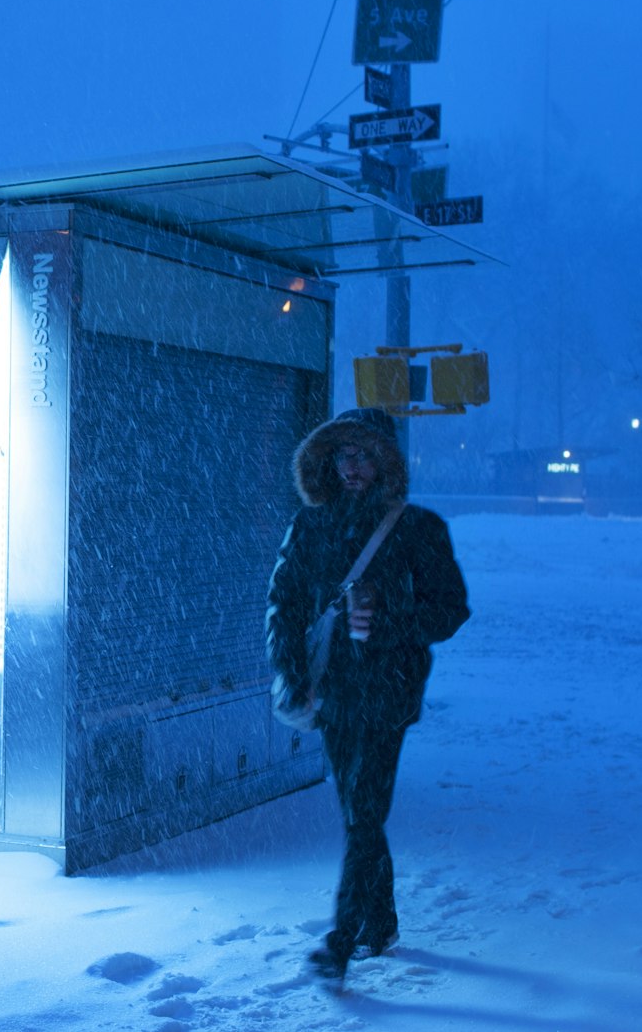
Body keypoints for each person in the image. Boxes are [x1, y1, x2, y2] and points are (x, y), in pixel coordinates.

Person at [265, 407, 470, 982]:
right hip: (332, 693)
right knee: (360, 813)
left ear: (387, 461)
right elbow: (283, 603)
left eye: (365, 454)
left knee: (363, 813)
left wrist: (389, 612)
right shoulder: (311, 526)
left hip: (389, 693)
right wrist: (292, 670)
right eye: (344, 454)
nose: (353, 466)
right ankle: (379, 921)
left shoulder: (419, 529)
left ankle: (341, 936)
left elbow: (451, 610)